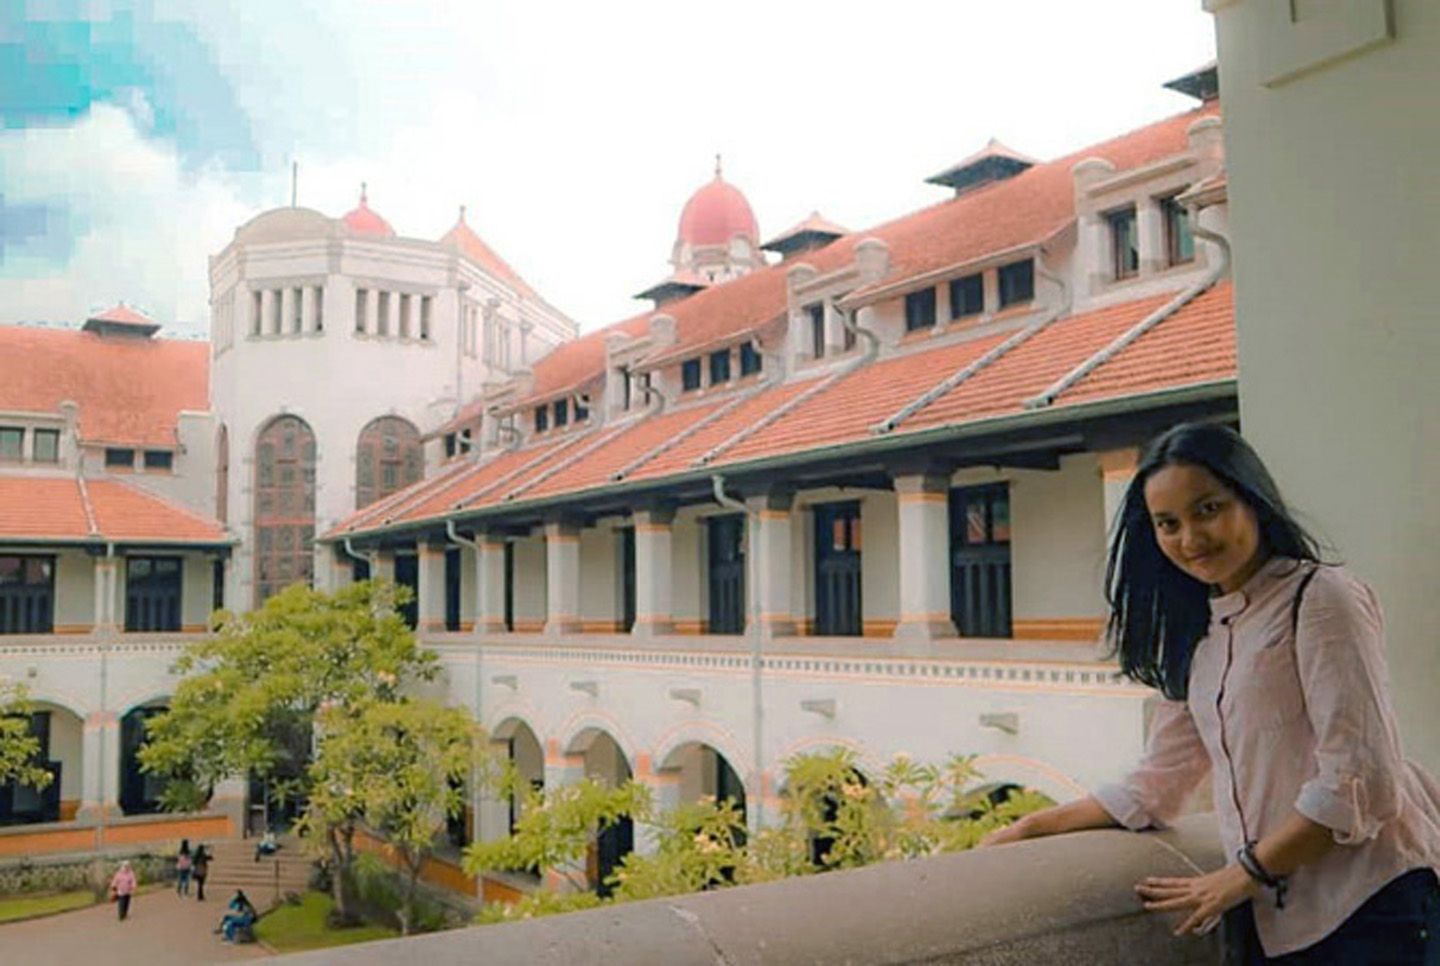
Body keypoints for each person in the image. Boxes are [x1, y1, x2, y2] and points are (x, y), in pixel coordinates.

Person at [980, 423, 1440, 964]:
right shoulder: (1201, 631)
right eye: (1167, 523)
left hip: (1370, 906)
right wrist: (1032, 825)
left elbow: (1363, 779)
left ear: (1252, 499)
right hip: (1273, 917)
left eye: (1208, 509)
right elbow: (1158, 783)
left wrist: (1242, 875)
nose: (1190, 540)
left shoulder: (1320, 598)